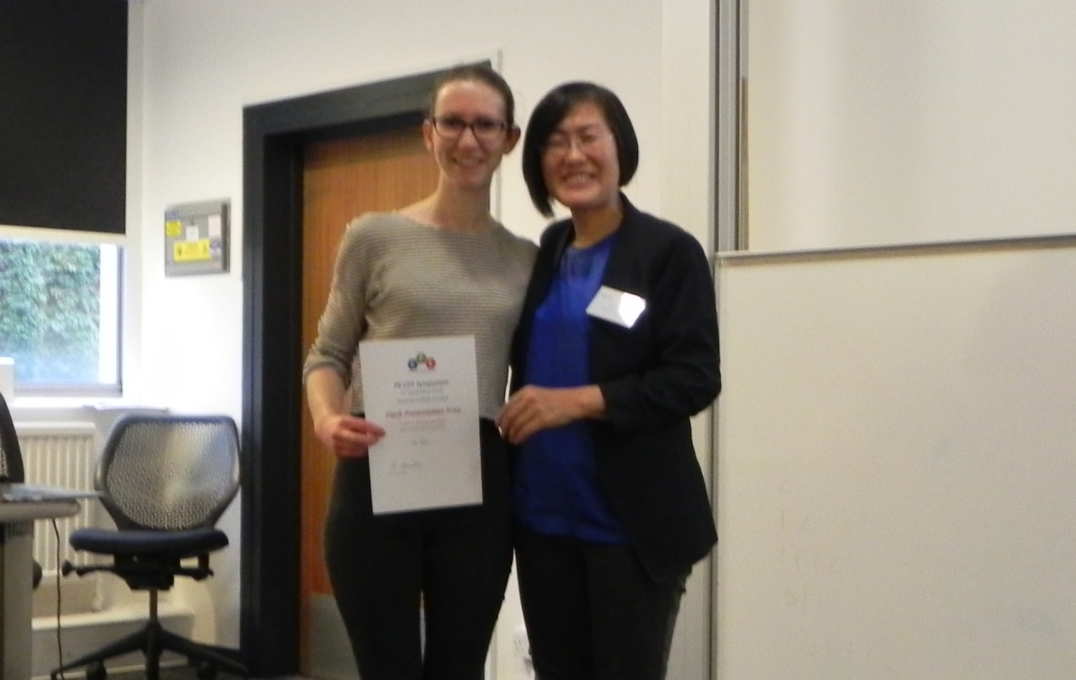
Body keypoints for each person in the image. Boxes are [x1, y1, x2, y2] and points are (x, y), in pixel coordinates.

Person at [302, 65, 536, 680]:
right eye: (453, 123)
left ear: (509, 139)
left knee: (459, 668)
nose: (468, 140)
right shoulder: (372, 238)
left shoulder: (525, 260)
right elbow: (327, 355)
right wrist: (327, 418)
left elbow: (534, 371)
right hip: (379, 473)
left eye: (485, 125)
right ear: (428, 133)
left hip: (477, 483)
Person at [497, 81, 720, 680]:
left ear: (620, 145)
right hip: (543, 523)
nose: (573, 155)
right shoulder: (549, 249)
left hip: (630, 528)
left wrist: (581, 401)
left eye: (587, 137)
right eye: (556, 142)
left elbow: (695, 377)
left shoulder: (668, 252)